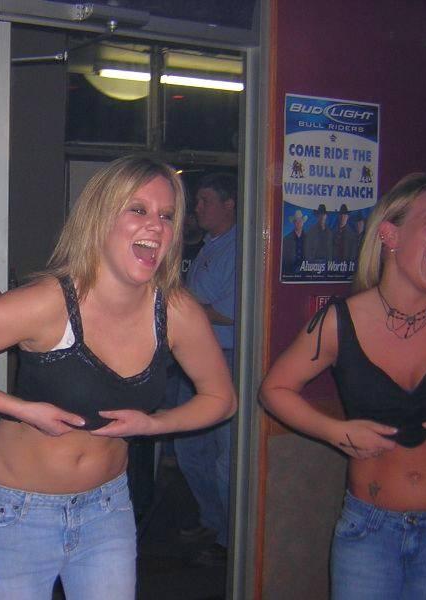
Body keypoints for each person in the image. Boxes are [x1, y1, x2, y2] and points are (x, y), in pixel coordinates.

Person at [0, 156, 237, 600]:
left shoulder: (176, 311)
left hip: (107, 507)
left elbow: (221, 398)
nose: (156, 226)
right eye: (138, 209)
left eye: (166, 215)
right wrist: (22, 409)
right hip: (17, 511)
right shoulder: (48, 302)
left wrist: (152, 424)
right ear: (99, 218)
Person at [260, 173, 426, 599]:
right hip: (368, 532)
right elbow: (274, 389)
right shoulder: (340, 321)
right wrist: (336, 432)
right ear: (390, 234)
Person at [172, 172, 238, 566]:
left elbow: (230, 314)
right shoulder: (210, 245)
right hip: (194, 357)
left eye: (205, 201)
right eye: (196, 201)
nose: (198, 208)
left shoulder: (240, 248)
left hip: (226, 360)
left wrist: (181, 309)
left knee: (225, 458)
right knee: (189, 448)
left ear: (230, 204)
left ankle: (231, 540)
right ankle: (213, 519)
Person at [282, 208, 308, 275]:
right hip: (290, 272)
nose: (298, 223)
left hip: (306, 273)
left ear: (303, 222)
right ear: (294, 223)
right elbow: (284, 260)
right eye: (296, 221)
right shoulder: (286, 239)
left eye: (300, 220)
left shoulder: (309, 239)